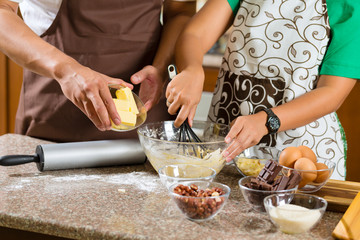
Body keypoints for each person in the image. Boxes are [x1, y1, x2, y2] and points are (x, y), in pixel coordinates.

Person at [165, 0, 359, 180]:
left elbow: (332, 93)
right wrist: (191, 69)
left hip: (299, 160)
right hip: (225, 154)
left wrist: (267, 120)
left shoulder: (349, 5)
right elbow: (194, 34)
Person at [0, 0, 196, 142]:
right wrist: (66, 70)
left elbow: (180, 10)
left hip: (146, 127)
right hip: (56, 122)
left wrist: (160, 68)